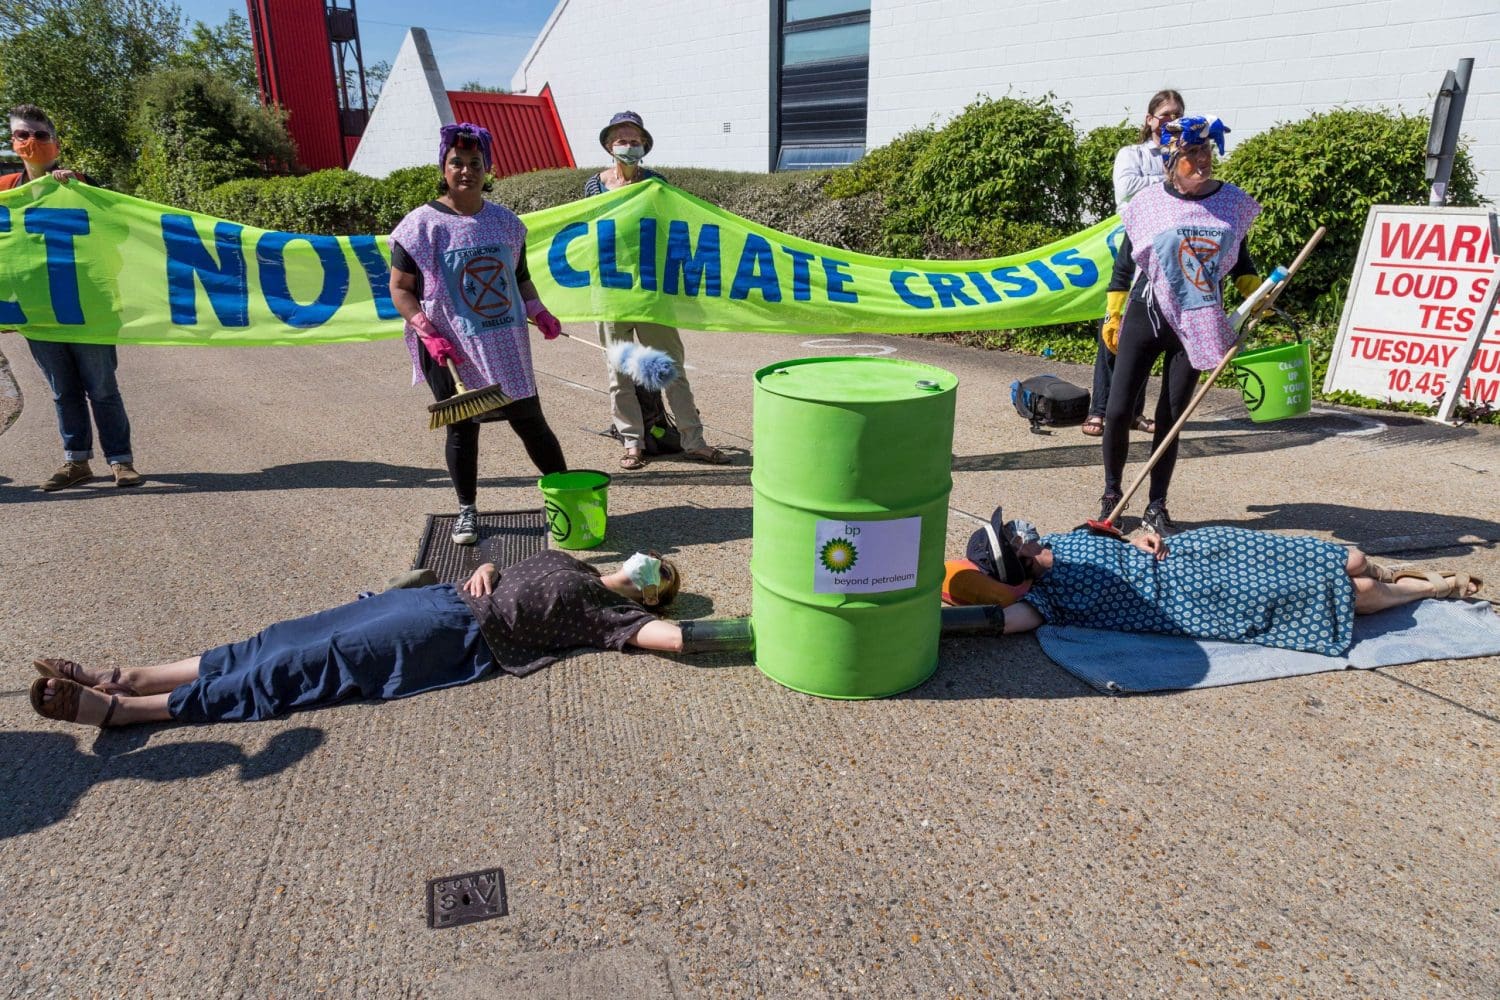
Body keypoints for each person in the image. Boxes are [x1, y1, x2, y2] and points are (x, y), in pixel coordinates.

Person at [29, 550, 687, 728]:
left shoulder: (610, 615)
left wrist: (768, 625)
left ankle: (130, 711)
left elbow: (674, 638)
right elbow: (502, 566)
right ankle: (135, 675)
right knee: (280, 638)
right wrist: (485, 567)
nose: (644, 562)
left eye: (655, 573)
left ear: (649, 593)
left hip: (457, 637)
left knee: (303, 665)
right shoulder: (572, 560)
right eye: (649, 555)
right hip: (433, 600)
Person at [389, 123, 568, 546]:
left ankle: (566, 497)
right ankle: (467, 510)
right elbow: (400, 288)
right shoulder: (419, 226)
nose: (466, 171)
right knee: (463, 429)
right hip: (449, 348)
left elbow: (518, 277)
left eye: (475, 163)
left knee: (532, 422)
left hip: (504, 343)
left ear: (488, 169)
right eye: (457, 163)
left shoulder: (506, 224)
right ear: (443, 167)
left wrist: (538, 309)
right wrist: (424, 330)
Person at [977, 516, 1485, 656]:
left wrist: (1142, 535)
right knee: (1355, 599)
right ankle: (1431, 588)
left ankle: (1391, 572)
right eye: (1012, 537)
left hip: (1203, 552)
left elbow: (1130, 533)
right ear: (1015, 560)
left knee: (1352, 558)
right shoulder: (1048, 600)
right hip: (1202, 599)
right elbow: (1001, 623)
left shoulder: (1069, 535)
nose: (1022, 530)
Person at [1098, 115, 1262, 536]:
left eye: (1205, 151)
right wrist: (1113, 313)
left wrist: (1256, 295)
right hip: (1146, 312)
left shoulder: (1231, 203)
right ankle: (1113, 493)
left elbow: (1241, 262)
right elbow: (1124, 262)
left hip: (1198, 320)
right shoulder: (1150, 202)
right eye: (1191, 154)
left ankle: (1156, 505)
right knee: (1117, 411)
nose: (1202, 160)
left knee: (1171, 418)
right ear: (1173, 160)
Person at [5, 104, 142, 491]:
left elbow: (117, 230)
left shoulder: (80, 183)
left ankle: (121, 461)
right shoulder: (5, 192)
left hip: (88, 307)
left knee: (101, 388)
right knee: (62, 391)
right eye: (22, 135)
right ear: (13, 144)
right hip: (37, 310)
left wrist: (79, 189)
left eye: (39, 135)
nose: (31, 142)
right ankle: (76, 462)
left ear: (55, 143)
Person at [584, 111, 727, 471]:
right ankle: (632, 443)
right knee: (620, 374)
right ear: (608, 145)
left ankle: (694, 440)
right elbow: (588, 229)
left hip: (651, 290)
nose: (628, 146)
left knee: (671, 368)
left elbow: (673, 229)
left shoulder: (657, 183)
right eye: (621, 139)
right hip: (611, 291)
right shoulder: (593, 185)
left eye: (635, 140)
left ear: (645, 146)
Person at [1082, 89, 1185, 440]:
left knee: (1148, 333)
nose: (1171, 121)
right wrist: (1168, 181)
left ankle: (1134, 412)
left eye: (1178, 115)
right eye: (1166, 114)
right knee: (1115, 328)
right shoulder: (1133, 154)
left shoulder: (1184, 154)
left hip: (1170, 254)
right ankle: (1100, 409)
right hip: (1134, 246)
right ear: (1150, 118)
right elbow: (1125, 190)